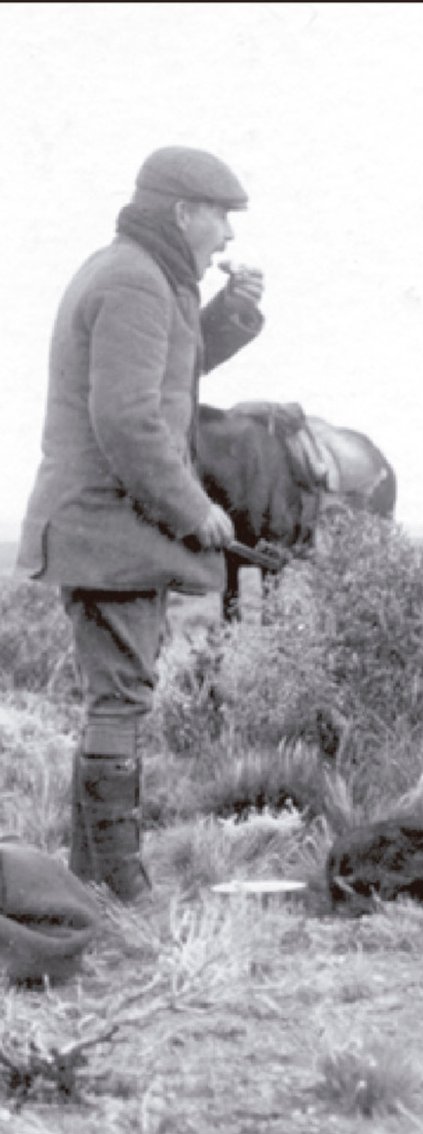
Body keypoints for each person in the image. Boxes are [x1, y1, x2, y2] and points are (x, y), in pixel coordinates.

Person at [16, 147, 265, 901]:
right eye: (220, 216)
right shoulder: (135, 281)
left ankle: (94, 879)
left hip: (107, 530)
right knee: (120, 698)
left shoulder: (143, 275)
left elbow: (169, 374)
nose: (228, 235)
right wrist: (194, 510)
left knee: (115, 698)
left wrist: (231, 314)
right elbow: (127, 420)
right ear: (183, 213)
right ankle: (119, 884)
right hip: (108, 530)